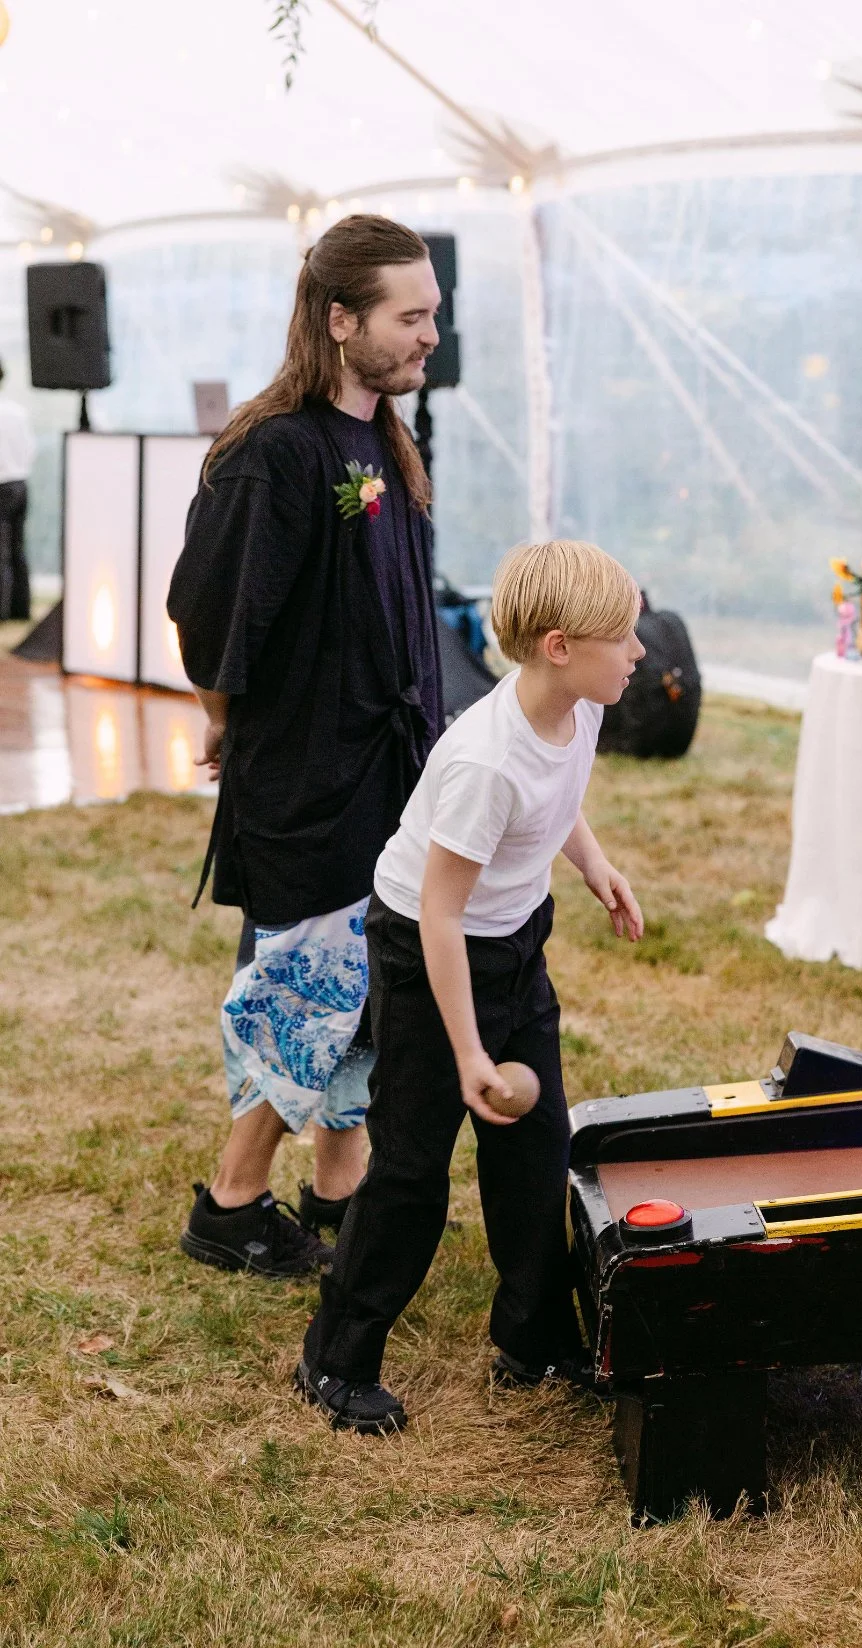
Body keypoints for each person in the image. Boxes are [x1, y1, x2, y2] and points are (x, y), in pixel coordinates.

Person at [296, 539, 646, 1433]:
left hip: (516, 940)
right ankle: (334, 1357)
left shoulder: (582, 706)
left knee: (537, 1149)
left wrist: (596, 865)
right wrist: (465, 1052)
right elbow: (441, 916)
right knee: (412, 1168)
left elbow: (560, 799)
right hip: (426, 951)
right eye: (625, 637)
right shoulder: (482, 763)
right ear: (560, 645)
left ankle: (532, 1336)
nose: (640, 652)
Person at [167, 215, 445, 1279]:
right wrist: (226, 719)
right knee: (306, 986)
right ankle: (232, 1203)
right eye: (408, 317)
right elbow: (211, 614)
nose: (429, 336)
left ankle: (340, 1184)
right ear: (340, 322)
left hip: (384, 768)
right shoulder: (271, 453)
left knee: (366, 982)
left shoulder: (383, 441)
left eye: (432, 314)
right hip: (307, 778)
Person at [0, 358, 34, 622]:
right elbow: (29, 450)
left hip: (1, 486)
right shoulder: (17, 412)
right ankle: (20, 610)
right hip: (21, 484)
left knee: (0, 554)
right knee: (18, 549)